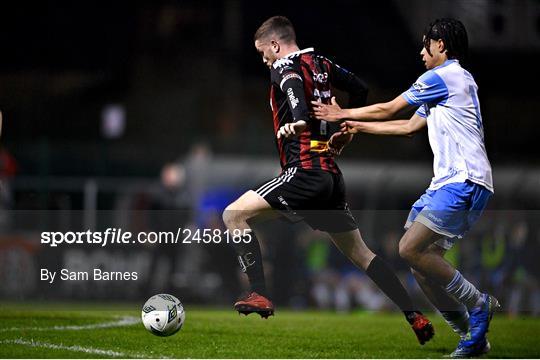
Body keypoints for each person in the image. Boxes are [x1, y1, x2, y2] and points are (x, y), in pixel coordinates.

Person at [222, 15, 434, 345]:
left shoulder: (284, 66)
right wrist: (346, 131)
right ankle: (414, 315)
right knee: (362, 255)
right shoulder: (320, 62)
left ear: (275, 46)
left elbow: (291, 85)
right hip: (331, 177)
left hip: (302, 172)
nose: (265, 61)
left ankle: (258, 292)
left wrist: (300, 120)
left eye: (264, 53)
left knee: (233, 215)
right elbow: (359, 89)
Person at [312, 18, 499, 357]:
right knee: (421, 267)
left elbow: (391, 107)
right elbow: (409, 126)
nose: (421, 50)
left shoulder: (444, 76)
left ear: (441, 44)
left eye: (426, 43)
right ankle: (472, 337)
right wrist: (356, 125)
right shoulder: (452, 83)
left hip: (463, 179)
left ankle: (479, 303)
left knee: (409, 248)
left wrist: (341, 114)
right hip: (450, 181)